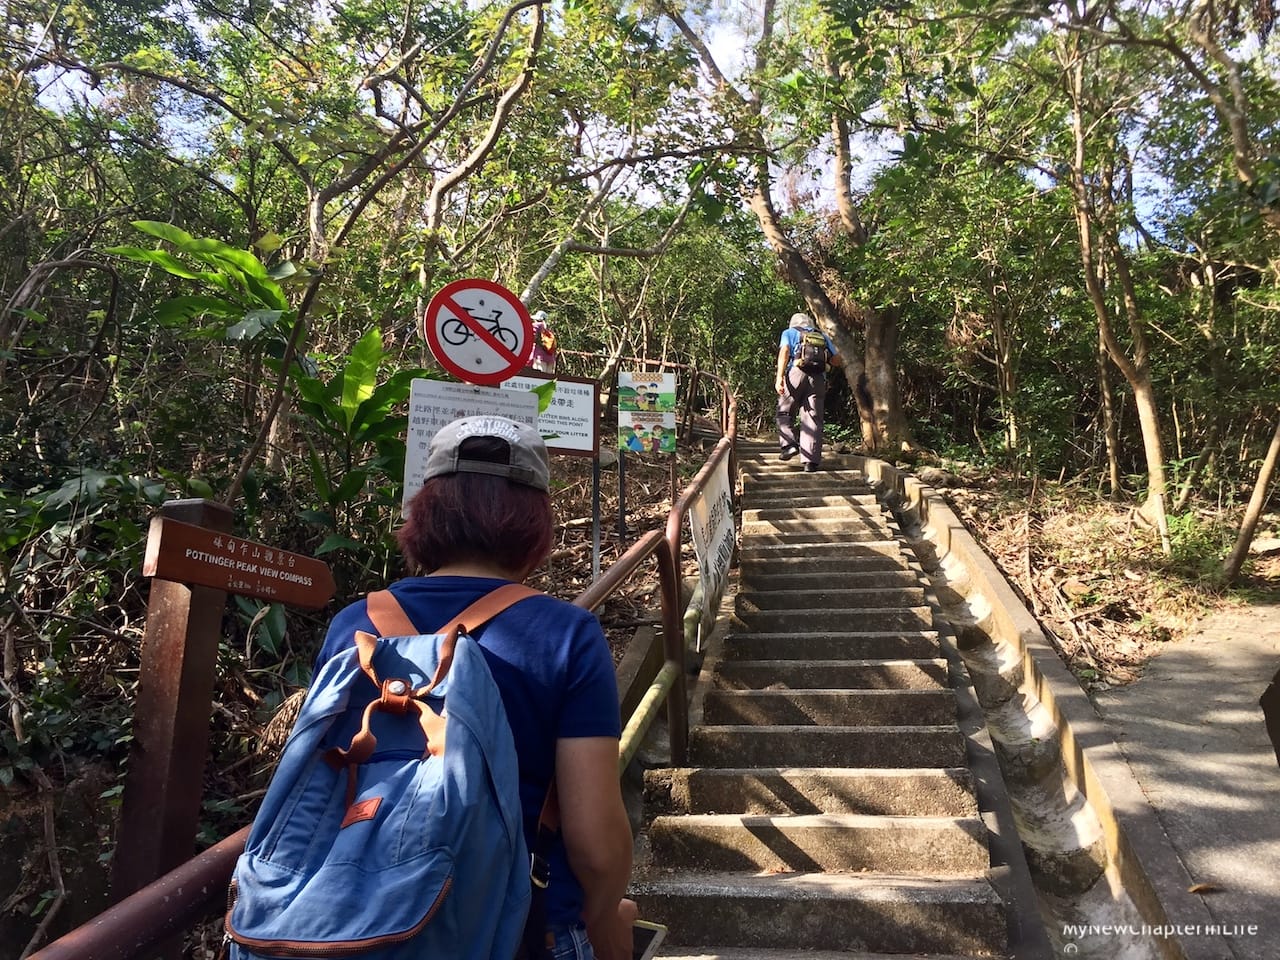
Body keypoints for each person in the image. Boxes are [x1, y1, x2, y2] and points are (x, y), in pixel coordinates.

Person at [316, 415, 636, 959]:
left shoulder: (353, 624)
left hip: (356, 924)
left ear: (425, 511)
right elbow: (596, 847)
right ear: (535, 521)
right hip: (521, 931)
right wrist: (600, 916)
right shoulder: (566, 634)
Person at [775, 311, 844, 472]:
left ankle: (789, 445)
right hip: (818, 378)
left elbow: (784, 352)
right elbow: (837, 360)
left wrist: (779, 377)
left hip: (796, 373)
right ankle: (810, 462)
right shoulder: (821, 336)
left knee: (784, 412)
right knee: (813, 417)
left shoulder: (789, 333)